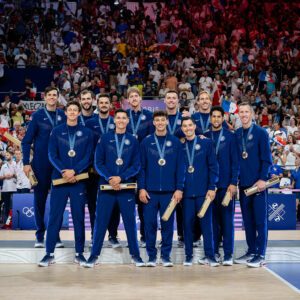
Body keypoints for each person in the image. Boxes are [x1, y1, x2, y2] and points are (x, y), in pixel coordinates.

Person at [85, 109, 144, 268]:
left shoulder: (133, 140)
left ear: (127, 121)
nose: (121, 120)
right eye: (118, 117)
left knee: (130, 223)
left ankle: (135, 255)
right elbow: (98, 162)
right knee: (100, 223)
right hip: (106, 188)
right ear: (114, 121)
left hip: (126, 189)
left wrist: (121, 178)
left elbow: (136, 165)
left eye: (124, 118)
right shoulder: (105, 139)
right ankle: (94, 256)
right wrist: (110, 178)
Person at [38, 101, 93, 267]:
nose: (72, 112)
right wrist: (64, 171)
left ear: (78, 113)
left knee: (78, 218)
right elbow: (51, 154)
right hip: (60, 180)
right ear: (66, 112)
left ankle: (79, 253)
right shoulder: (56, 131)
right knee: (55, 217)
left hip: (78, 181)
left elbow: (88, 156)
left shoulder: (87, 132)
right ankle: (49, 253)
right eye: (70, 110)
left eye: (75, 110)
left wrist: (74, 171)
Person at [139, 110, 185, 267]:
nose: (159, 123)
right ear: (153, 123)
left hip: (169, 192)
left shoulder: (176, 142)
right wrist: (142, 188)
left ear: (167, 122)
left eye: (162, 120)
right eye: (157, 120)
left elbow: (181, 167)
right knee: (149, 225)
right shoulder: (146, 142)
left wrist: (179, 189)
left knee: (167, 226)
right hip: (150, 192)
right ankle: (151, 256)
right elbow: (142, 168)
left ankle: (165, 256)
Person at [22, 87, 66, 248]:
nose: (53, 98)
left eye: (55, 95)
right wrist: (26, 163)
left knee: (58, 202)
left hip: (59, 166)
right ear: (45, 97)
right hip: (40, 165)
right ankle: (40, 235)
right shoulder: (37, 116)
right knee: (39, 201)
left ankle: (56, 235)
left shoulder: (63, 115)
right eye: (50, 95)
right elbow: (26, 141)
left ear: (58, 98)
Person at [234, 102, 272, 268]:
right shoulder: (236, 134)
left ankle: (261, 254)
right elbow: (235, 160)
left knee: (260, 221)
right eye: (241, 112)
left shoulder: (261, 133)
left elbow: (267, 159)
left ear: (252, 114)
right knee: (247, 221)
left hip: (258, 185)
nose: (243, 115)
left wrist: (263, 178)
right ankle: (251, 250)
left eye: (246, 112)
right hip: (243, 185)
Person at [180, 117, 219, 267]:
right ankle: (188, 255)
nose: (188, 128)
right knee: (187, 225)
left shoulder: (206, 143)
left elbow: (213, 167)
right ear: (182, 129)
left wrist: (211, 186)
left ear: (195, 126)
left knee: (207, 226)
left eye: (190, 125)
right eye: (185, 126)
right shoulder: (180, 146)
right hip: (187, 193)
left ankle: (210, 255)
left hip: (204, 193)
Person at [85, 94, 120, 248]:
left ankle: (113, 235)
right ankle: (94, 234)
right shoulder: (89, 123)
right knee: (93, 204)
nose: (104, 105)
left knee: (114, 205)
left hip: (112, 172)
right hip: (93, 171)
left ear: (110, 106)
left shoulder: (116, 122)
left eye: (107, 102)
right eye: (101, 103)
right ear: (97, 105)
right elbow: (85, 146)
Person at [206, 107, 239, 266]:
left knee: (227, 222)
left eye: (219, 116)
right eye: (214, 116)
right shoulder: (204, 136)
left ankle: (228, 253)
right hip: (210, 188)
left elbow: (235, 162)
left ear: (223, 118)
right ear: (210, 118)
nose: (216, 119)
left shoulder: (230, 137)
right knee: (211, 222)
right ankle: (213, 253)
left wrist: (233, 183)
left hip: (226, 186)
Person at [126, 87, 154, 247]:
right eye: (131, 96)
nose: (134, 98)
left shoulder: (149, 116)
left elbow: (151, 139)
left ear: (140, 99)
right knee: (128, 203)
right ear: (128, 100)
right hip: (128, 164)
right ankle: (130, 237)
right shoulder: (124, 117)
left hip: (145, 164)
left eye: (136, 96)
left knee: (145, 203)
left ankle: (144, 235)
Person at [0, 151, 17, 224]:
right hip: (6, 188)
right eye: (6, 155)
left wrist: (13, 175)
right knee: (6, 206)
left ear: (12, 155)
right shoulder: (4, 166)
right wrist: (5, 176)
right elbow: (0, 177)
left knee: (14, 205)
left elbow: (19, 175)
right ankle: (6, 223)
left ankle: (14, 222)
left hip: (14, 187)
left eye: (8, 155)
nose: (6, 156)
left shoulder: (16, 164)